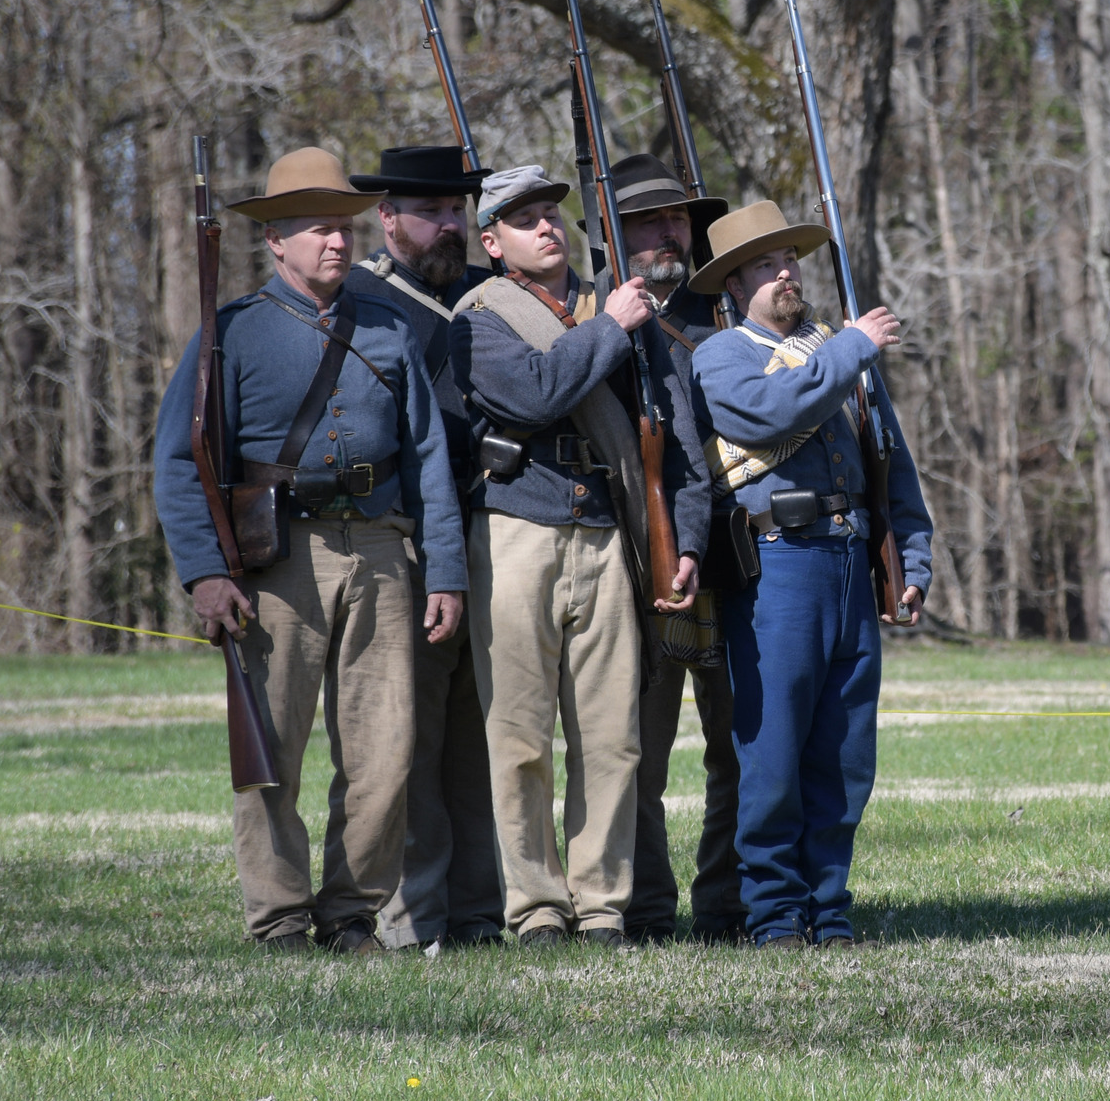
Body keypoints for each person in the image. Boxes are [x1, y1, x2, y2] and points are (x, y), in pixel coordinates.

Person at [152, 146, 467, 954]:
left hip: (381, 551)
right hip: (277, 558)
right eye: (319, 230)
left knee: (386, 749)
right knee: (272, 749)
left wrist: (446, 571)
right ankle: (281, 916)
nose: (337, 243)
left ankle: (351, 912)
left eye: (344, 228)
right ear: (276, 242)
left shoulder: (391, 330)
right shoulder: (231, 336)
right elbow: (181, 460)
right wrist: (205, 573)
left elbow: (429, 455)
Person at [449, 165, 709, 948]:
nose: (547, 227)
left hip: (606, 528)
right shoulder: (480, 317)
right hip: (517, 532)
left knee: (611, 738)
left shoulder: (619, 307)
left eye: (553, 214)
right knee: (520, 736)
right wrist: (612, 329)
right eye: (524, 219)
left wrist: (687, 540)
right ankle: (534, 906)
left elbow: (679, 442)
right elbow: (531, 394)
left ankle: (602, 903)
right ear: (492, 243)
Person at [689, 201, 933, 951]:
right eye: (764, 264)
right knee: (773, 752)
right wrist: (852, 349)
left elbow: (888, 462)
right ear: (733, 286)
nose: (785, 271)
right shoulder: (724, 354)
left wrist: (912, 558)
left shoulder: (836, 349)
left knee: (843, 753)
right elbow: (763, 414)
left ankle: (829, 909)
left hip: (849, 562)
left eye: (790, 258)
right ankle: (772, 914)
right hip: (777, 568)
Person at [341, 146, 505, 951]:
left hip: (498, 534)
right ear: (388, 216)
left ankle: (480, 911)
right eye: (432, 211)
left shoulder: (486, 294)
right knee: (413, 740)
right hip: (411, 544)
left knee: (481, 739)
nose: (450, 226)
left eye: (457, 211)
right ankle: (416, 917)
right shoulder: (361, 300)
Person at [589, 155, 745, 945]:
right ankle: (645, 908)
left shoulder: (729, 311)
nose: (665, 232)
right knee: (637, 754)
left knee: (739, 751)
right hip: (640, 561)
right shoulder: (599, 315)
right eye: (646, 220)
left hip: (738, 561)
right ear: (613, 232)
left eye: (676, 218)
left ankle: (728, 905)